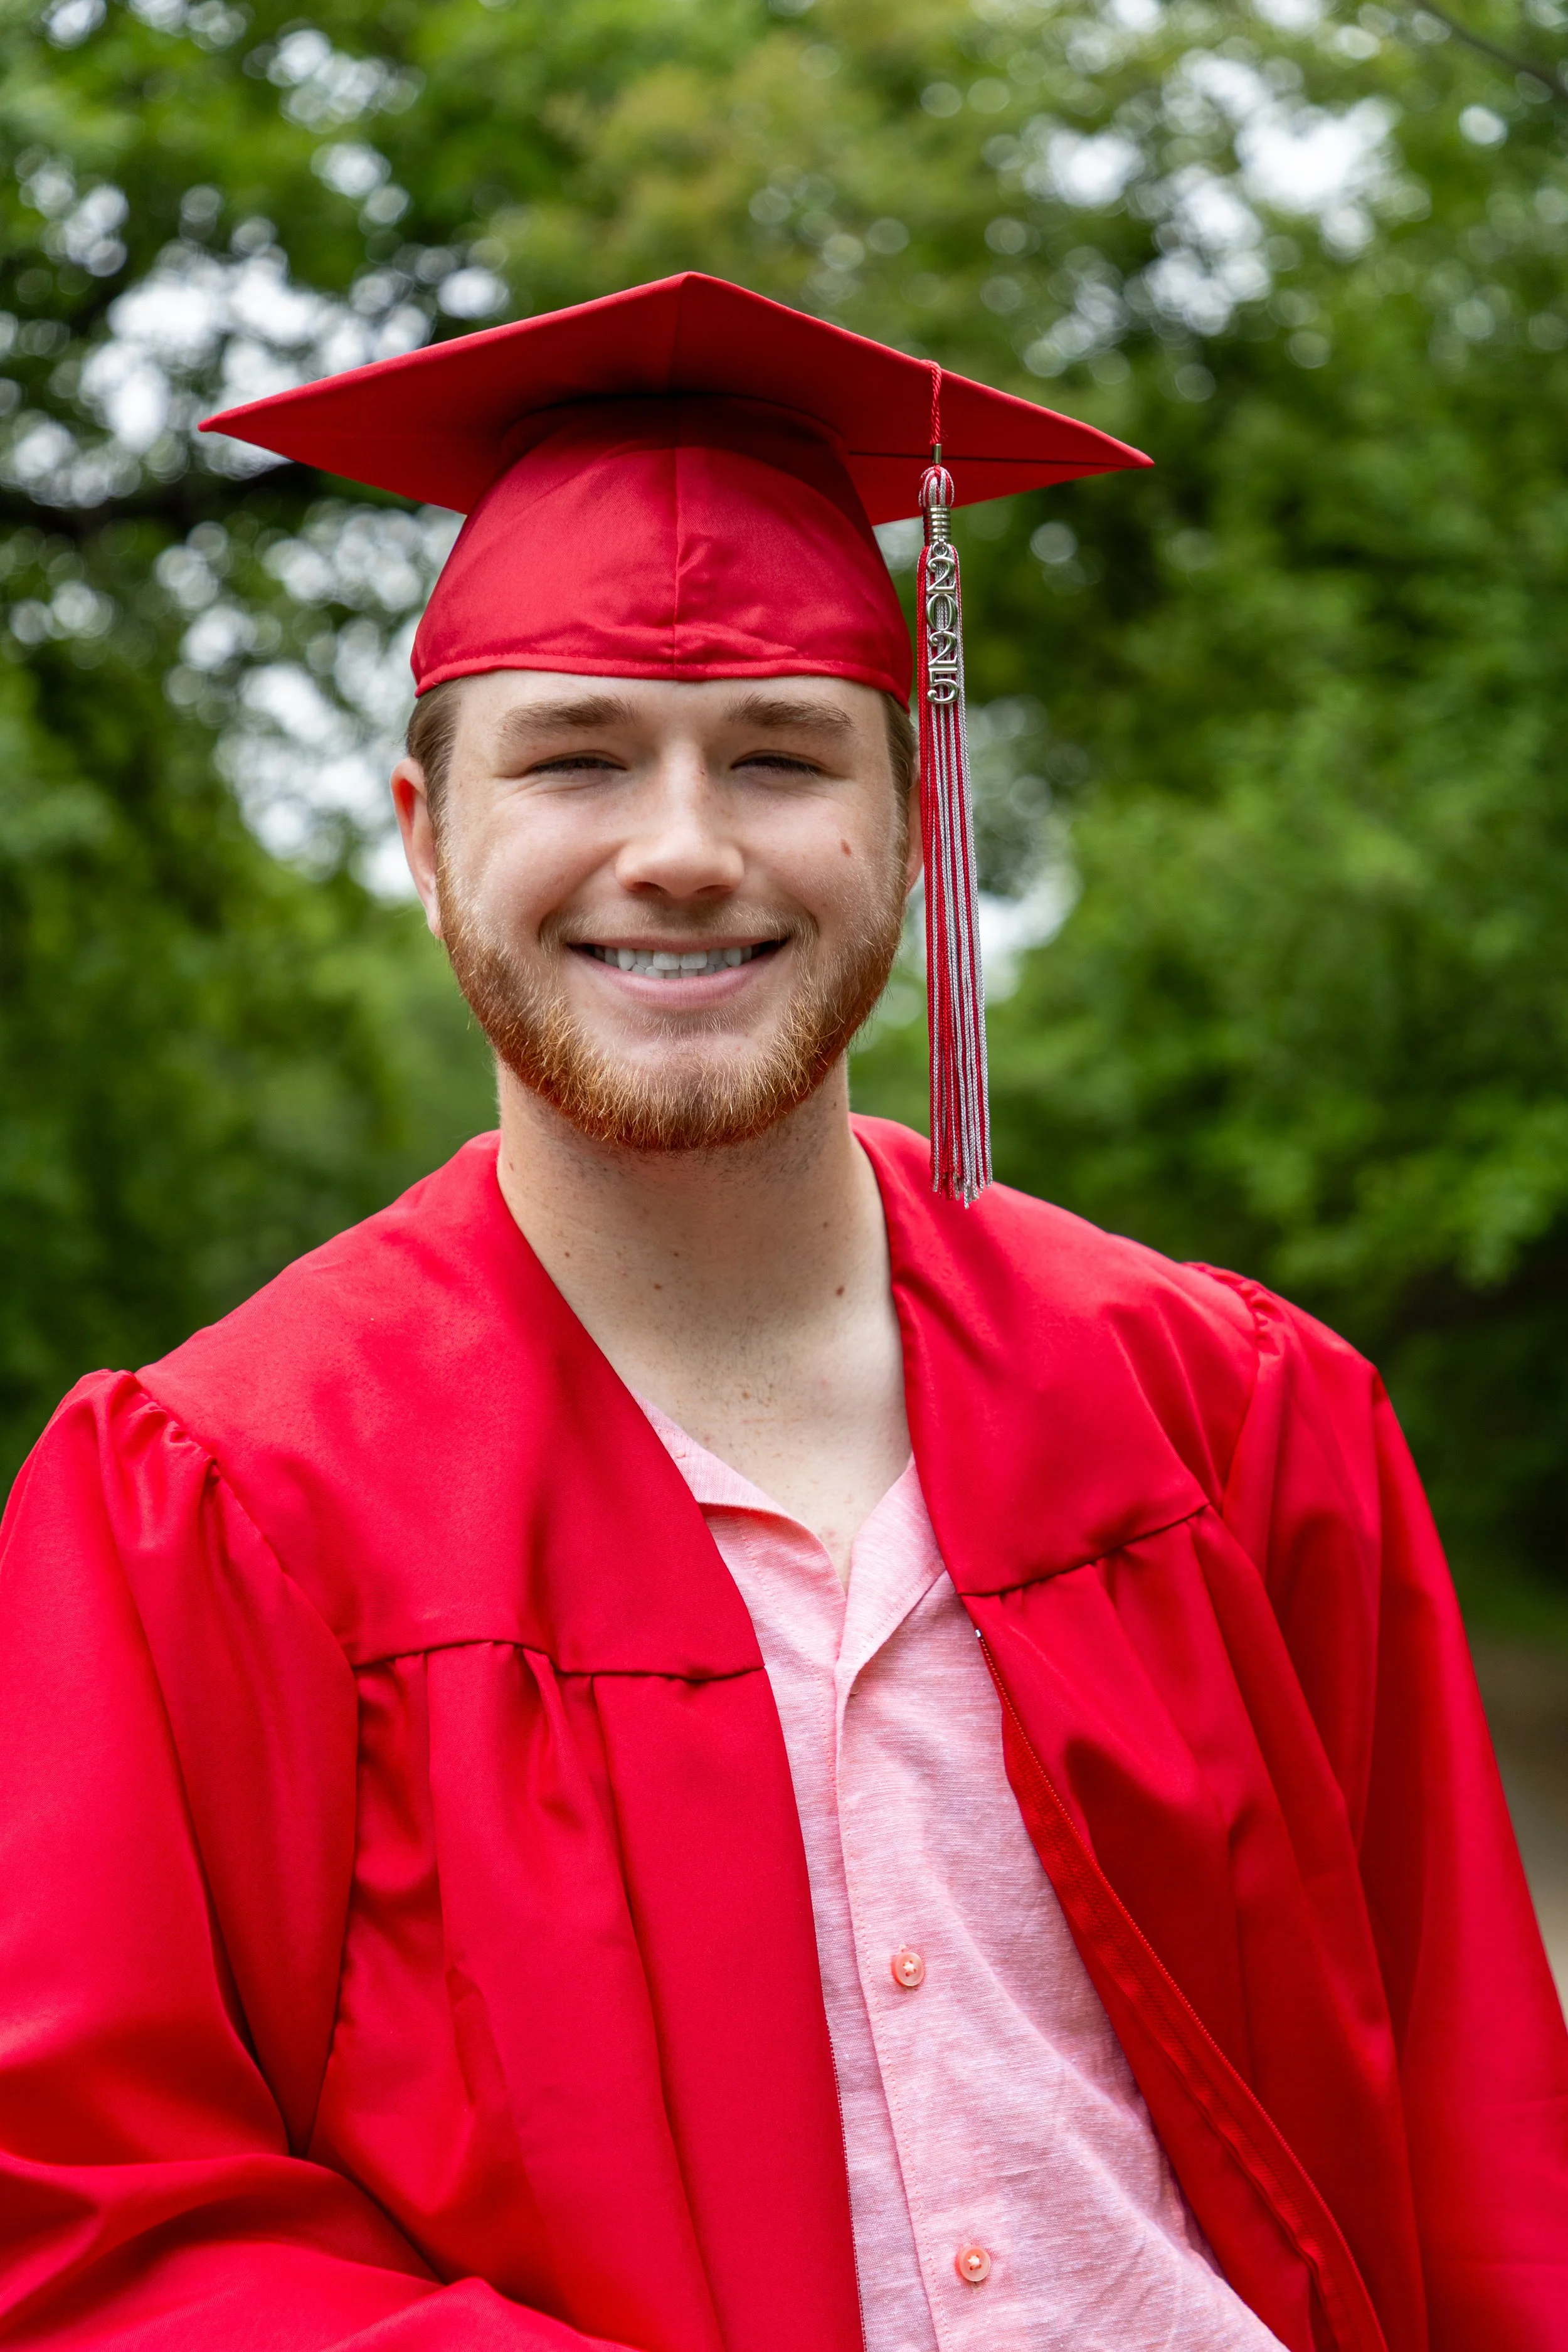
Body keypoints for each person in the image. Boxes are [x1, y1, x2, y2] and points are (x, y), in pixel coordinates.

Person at [0, 272, 1562, 2352]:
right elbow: (94, 2231)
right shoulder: (207, 1507)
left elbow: (1485, 2160)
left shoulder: (1237, 1412)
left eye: (775, 753)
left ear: (909, 823)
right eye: (572, 755)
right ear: (424, 841)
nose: (680, 846)